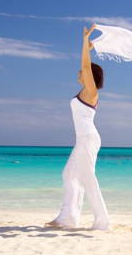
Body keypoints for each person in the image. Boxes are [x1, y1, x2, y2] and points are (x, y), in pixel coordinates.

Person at [45, 24, 110, 230]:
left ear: (89, 74)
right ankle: (68, 217)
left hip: (89, 139)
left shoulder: (91, 92)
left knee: (87, 179)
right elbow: (84, 66)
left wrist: (85, 43)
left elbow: (84, 65)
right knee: (69, 176)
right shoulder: (84, 92)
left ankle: (102, 221)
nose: (79, 73)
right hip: (84, 139)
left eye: (83, 72)